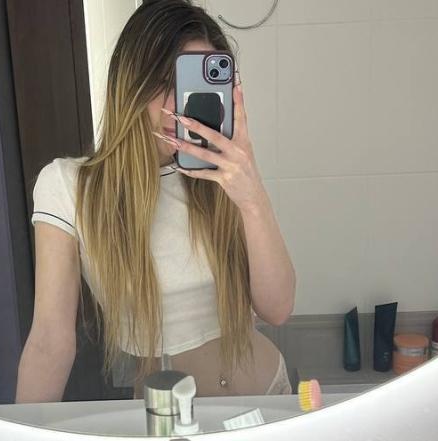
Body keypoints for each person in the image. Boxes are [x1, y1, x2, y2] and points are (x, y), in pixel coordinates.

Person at [15, 0, 296, 403]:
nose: (177, 106)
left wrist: (253, 199)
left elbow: (278, 308)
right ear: (132, 83)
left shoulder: (225, 176)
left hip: (263, 399)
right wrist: (18, 438)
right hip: (163, 419)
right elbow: (49, 341)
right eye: (164, 81)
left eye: (193, 86)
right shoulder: (69, 187)